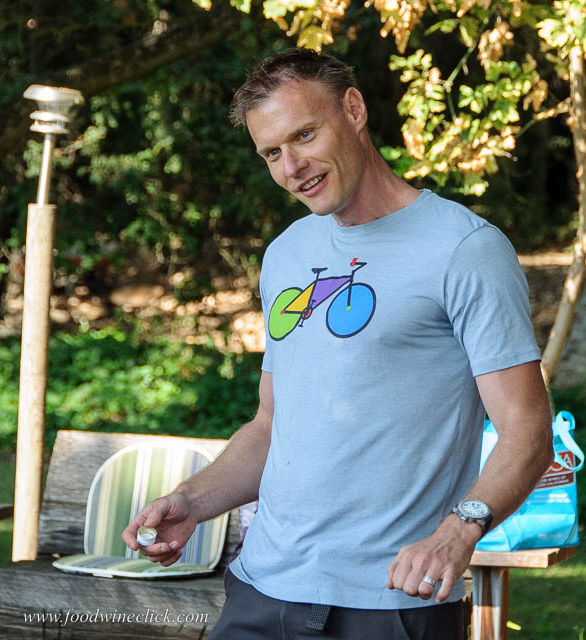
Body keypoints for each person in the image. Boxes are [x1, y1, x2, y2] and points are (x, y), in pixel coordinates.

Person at [123, 48, 553, 639]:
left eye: (304, 135)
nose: (292, 166)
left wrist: (459, 531)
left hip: (391, 602)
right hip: (260, 592)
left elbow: (528, 428)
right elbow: (270, 425)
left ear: (353, 110)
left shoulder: (464, 249)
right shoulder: (286, 254)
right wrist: (193, 502)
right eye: (272, 153)